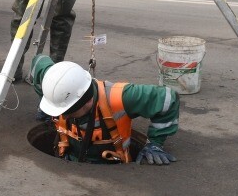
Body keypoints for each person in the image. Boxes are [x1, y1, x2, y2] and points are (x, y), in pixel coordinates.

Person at [31, 54, 179, 165]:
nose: (64, 116)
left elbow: (167, 98)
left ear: (87, 101)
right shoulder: (59, 85)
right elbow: (39, 61)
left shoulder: (121, 97)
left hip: (113, 167)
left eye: (68, 112)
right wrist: (49, 103)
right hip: (69, 160)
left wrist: (155, 143)